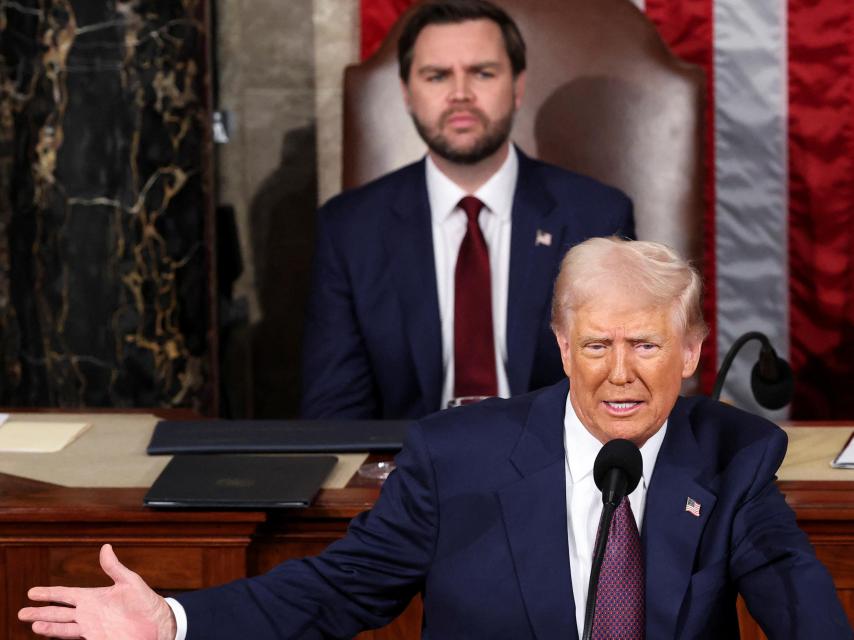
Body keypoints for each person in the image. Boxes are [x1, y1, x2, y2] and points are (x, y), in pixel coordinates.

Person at [19, 237, 850, 639]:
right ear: (563, 347)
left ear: (694, 352)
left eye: (647, 345)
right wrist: (171, 622)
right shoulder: (458, 457)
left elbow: (801, 604)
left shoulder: (733, 456)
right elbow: (336, 589)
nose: (620, 373)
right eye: (597, 345)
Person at [301, 0, 635, 419]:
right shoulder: (350, 228)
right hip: (406, 470)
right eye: (437, 75)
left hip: (554, 468)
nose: (460, 93)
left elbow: (618, 390)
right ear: (407, 93)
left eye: (482, 73)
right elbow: (334, 415)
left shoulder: (596, 217)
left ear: (517, 87)